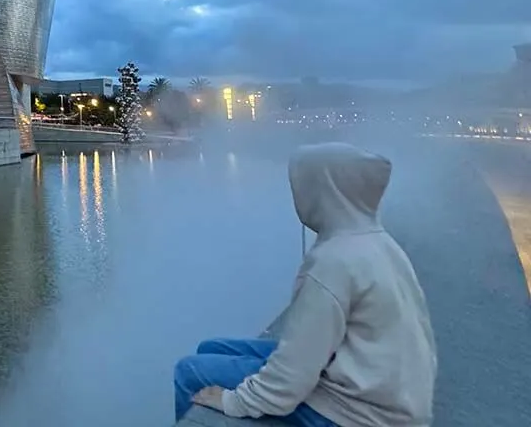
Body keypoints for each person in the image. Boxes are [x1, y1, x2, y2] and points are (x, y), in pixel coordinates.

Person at [173, 142, 437, 426]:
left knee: (189, 372)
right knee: (212, 347)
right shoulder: (379, 243)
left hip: (359, 413)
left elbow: (291, 376)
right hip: (385, 391)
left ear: (324, 193)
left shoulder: (334, 261)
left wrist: (233, 401)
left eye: (301, 186)